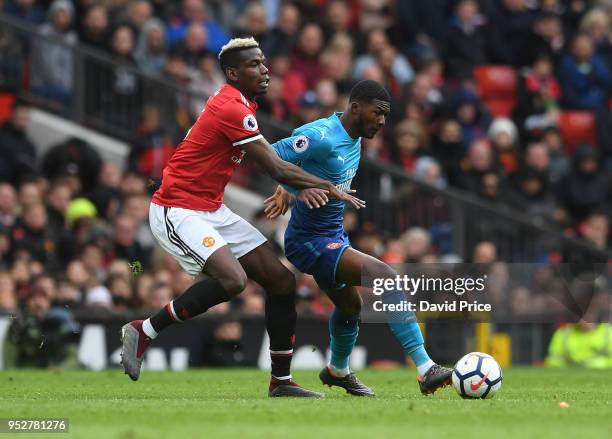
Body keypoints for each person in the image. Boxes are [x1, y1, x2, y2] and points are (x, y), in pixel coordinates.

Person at [120, 37, 363, 398]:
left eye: (264, 62)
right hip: (178, 208)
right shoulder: (231, 107)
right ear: (233, 73)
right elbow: (274, 166)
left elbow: (275, 165)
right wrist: (329, 185)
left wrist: (305, 184)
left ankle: (280, 381)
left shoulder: (241, 103)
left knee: (281, 280)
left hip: (211, 208)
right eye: (254, 65)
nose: (264, 70)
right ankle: (145, 330)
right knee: (233, 280)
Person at [264, 80, 453, 396]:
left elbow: (300, 166)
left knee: (351, 306)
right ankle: (425, 368)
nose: (382, 121)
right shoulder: (322, 135)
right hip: (308, 241)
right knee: (385, 276)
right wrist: (296, 189)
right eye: (378, 113)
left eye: (385, 116)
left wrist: (289, 188)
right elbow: (268, 155)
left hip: (333, 236)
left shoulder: (354, 137)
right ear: (355, 107)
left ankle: (338, 370)